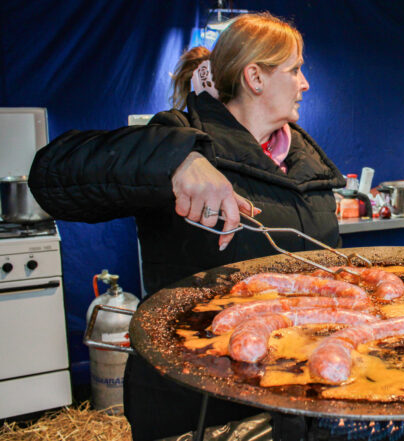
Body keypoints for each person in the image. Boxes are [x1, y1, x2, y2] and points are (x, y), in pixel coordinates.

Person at [29, 13, 346, 441]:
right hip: (196, 405)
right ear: (255, 76)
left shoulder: (307, 162)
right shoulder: (179, 137)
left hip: (291, 399)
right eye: (294, 70)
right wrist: (177, 160)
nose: (304, 83)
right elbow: (53, 175)